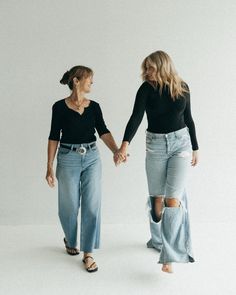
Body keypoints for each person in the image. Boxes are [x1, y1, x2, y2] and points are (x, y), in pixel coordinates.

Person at [115, 51, 199, 273]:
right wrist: (125, 144)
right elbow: (136, 117)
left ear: (162, 67)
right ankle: (157, 240)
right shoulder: (146, 89)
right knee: (157, 204)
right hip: (156, 145)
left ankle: (168, 257)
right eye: (145, 68)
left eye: (150, 68)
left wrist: (196, 147)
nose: (147, 73)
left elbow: (189, 118)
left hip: (181, 144)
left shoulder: (183, 87)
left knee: (173, 200)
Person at [46, 65, 118, 273]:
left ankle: (88, 253)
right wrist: (49, 166)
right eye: (89, 79)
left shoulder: (94, 106)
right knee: (68, 206)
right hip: (67, 158)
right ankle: (70, 239)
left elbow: (103, 131)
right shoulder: (59, 107)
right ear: (76, 81)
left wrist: (115, 150)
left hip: (92, 157)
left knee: (92, 205)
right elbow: (53, 137)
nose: (92, 83)